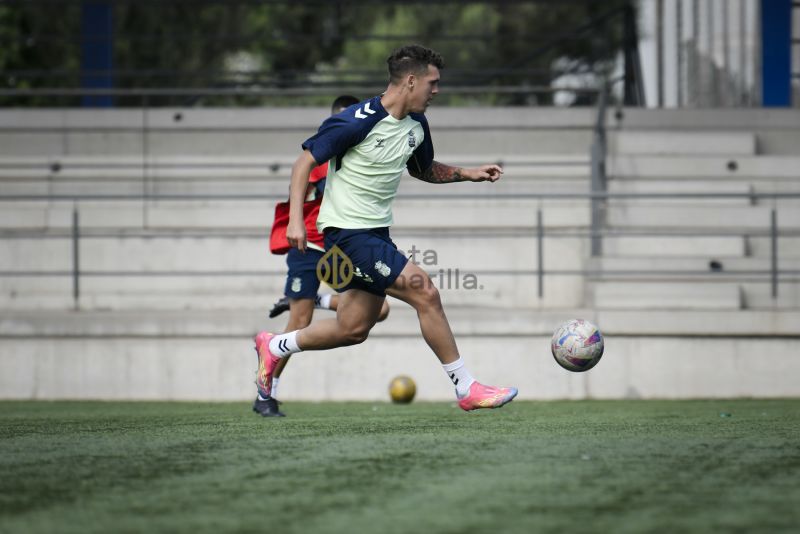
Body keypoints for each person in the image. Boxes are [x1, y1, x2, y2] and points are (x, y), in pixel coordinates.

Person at [253, 44, 517, 414]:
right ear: (411, 81)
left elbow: (422, 170)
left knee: (353, 328)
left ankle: (275, 345)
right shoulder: (356, 120)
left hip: (376, 234)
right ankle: (466, 387)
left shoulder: (416, 125)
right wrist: (297, 220)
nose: (436, 91)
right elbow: (303, 163)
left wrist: (466, 173)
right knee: (424, 292)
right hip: (347, 234)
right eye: (433, 83)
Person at [255, 95, 390, 417]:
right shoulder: (320, 158)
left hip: (342, 246)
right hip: (308, 247)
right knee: (299, 322)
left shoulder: (361, 157)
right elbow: (298, 185)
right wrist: (295, 223)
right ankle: (265, 392)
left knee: (380, 309)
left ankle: (312, 299)